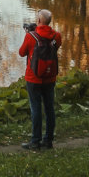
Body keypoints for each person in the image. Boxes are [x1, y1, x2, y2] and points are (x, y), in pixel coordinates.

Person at [18, 9, 62, 150]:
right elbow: (54, 46)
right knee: (49, 109)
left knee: (36, 109)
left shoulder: (31, 37)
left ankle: (35, 141)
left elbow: (21, 52)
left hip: (34, 78)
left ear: (38, 21)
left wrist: (28, 34)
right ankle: (48, 141)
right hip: (50, 78)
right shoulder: (57, 36)